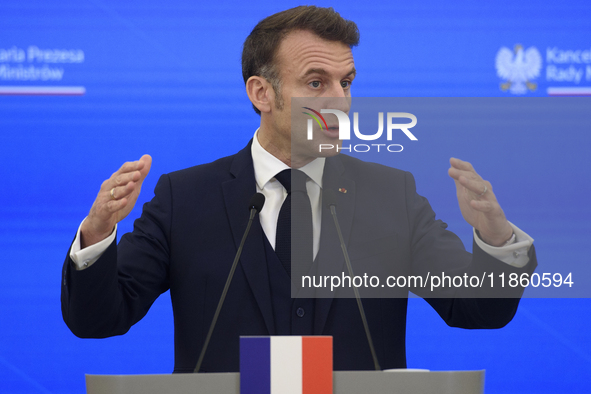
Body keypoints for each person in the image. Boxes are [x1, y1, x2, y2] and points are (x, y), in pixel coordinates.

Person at [61, 6, 536, 373]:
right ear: (261, 93)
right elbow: (99, 319)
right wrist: (98, 233)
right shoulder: (185, 198)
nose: (339, 100)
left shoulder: (392, 195)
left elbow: (478, 309)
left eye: (346, 82)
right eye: (316, 81)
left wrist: (496, 241)